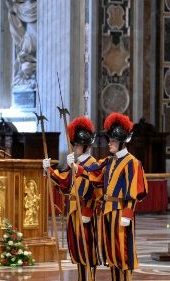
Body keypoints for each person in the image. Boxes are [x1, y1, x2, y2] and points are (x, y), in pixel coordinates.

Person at [73, 112, 148, 281]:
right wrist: (76, 167)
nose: (109, 144)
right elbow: (94, 173)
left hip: (121, 211)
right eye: (110, 140)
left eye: (113, 141)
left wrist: (128, 213)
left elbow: (134, 190)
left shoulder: (132, 162)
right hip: (107, 211)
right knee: (111, 253)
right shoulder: (109, 161)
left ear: (121, 142)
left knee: (123, 253)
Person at [42, 116, 99, 281]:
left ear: (86, 146)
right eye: (75, 144)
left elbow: (95, 189)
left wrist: (87, 210)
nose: (76, 147)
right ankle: (82, 278)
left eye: (79, 145)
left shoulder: (93, 164)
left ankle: (91, 278)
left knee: (88, 247)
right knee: (77, 248)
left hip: (86, 212)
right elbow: (65, 182)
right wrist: (49, 170)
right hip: (73, 210)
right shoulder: (73, 164)